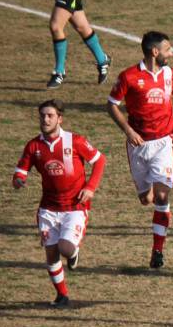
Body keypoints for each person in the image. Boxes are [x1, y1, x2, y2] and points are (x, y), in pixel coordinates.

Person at [106, 31, 173, 268]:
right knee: (146, 199)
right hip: (139, 146)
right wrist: (128, 131)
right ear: (155, 52)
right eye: (168, 49)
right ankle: (155, 208)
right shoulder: (129, 77)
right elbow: (112, 105)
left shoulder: (171, 75)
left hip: (164, 142)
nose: (172, 54)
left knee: (162, 195)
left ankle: (157, 251)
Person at [12, 99, 106, 307]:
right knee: (51, 253)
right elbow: (21, 170)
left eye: (50, 116)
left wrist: (90, 188)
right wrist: (19, 180)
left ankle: (73, 252)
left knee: (65, 248)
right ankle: (62, 295)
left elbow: (99, 161)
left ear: (59, 119)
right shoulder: (34, 146)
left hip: (74, 207)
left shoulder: (76, 141)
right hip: (48, 209)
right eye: (42, 116)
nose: (45, 119)